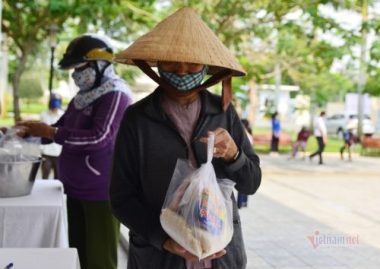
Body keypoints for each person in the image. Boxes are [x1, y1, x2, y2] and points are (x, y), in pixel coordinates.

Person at [110, 7, 261, 269]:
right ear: (157, 64)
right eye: (171, 61)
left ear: (206, 67)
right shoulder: (138, 118)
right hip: (159, 258)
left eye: (192, 63)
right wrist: (163, 240)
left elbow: (251, 183)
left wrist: (234, 156)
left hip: (222, 255)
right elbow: (121, 198)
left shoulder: (223, 112)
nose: (181, 70)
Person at [17, 34, 133, 269]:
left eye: (80, 67)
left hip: (100, 191)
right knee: (78, 254)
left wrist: (49, 132)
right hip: (74, 187)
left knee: (100, 259)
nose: (75, 74)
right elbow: (60, 128)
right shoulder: (83, 97)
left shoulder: (116, 95)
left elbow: (100, 137)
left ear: (100, 65)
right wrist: (25, 131)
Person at [40, 92, 64, 179]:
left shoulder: (63, 115)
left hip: (59, 153)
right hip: (46, 153)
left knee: (58, 178)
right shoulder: (44, 115)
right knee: (45, 177)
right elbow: (41, 132)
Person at [237, 119, 253, 209]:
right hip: (245, 161)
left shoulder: (245, 135)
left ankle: (240, 203)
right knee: (243, 183)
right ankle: (242, 202)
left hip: (244, 161)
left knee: (242, 184)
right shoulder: (248, 134)